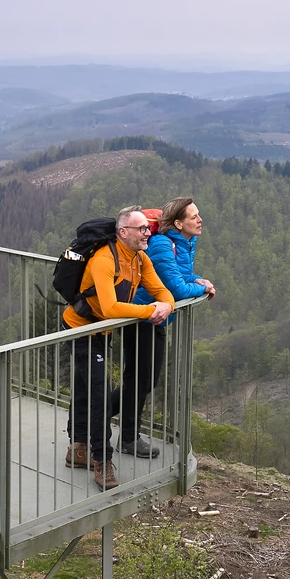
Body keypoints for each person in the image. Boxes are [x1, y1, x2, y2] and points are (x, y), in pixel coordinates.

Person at [63, 206, 174, 489]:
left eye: (147, 228)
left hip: (100, 329)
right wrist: (150, 310)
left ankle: (77, 450)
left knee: (86, 387)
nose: (147, 232)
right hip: (82, 329)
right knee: (98, 395)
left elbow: (163, 292)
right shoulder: (104, 259)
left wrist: (167, 305)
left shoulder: (139, 259)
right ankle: (103, 462)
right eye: (141, 229)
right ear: (123, 232)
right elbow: (110, 307)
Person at [122, 197, 216, 457]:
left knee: (140, 381)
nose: (200, 220)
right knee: (140, 381)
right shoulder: (163, 244)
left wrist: (197, 280)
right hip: (142, 318)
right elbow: (175, 287)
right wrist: (203, 288)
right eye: (193, 217)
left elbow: (180, 276)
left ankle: (106, 425)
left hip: (156, 316)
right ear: (177, 223)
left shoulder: (185, 242)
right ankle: (111, 427)